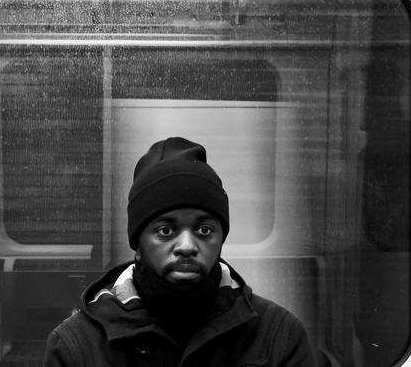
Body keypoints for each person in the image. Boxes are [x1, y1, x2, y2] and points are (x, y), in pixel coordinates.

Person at [43, 137, 316, 366]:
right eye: (165, 231)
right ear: (138, 244)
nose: (187, 246)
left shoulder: (277, 336)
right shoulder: (78, 347)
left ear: (221, 239)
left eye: (204, 230)